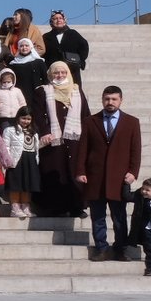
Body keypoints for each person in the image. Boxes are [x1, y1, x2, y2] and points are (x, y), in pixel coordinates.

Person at [73, 86, 141, 261]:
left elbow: (135, 150)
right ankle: (101, 248)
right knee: (98, 217)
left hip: (119, 179)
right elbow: (83, 148)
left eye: (114, 99)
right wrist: (80, 170)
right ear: (102, 100)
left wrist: (133, 172)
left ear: (120, 100)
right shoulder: (90, 121)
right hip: (95, 177)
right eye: (107, 99)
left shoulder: (132, 122)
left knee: (119, 218)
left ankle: (120, 249)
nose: (110, 102)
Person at [36, 60, 90, 217]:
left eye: (63, 72)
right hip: (53, 140)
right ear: (50, 74)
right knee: (54, 171)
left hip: (74, 140)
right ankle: (55, 207)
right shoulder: (43, 91)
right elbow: (38, 115)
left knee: (74, 171)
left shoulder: (76, 91)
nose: (60, 75)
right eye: (56, 73)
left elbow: (85, 114)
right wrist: (44, 132)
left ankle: (77, 206)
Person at [1, 107, 42, 219]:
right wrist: (7, 160)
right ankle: (15, 208)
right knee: (16, 184)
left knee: (27, 184)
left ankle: (25, 206)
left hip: (30, 159)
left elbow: (36, 147)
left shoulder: (34, 132)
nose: (26, 121)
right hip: (16, 160)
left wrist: (36, 159)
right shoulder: (9, 130)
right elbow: (5, 147)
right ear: (18, 118)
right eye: (23, 118)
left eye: (28, 119)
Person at [41, 9, 89, 83]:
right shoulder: (46, 37)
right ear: (51, 22)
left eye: (60, 18)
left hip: (72, 70)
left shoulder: (73, 33)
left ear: (64, 21)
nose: (58, 20)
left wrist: (80, 61)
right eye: (55, 19)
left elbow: (84, 47)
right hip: (54, 71)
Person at [131, 177, 151, 276]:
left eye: (147, 190)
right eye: (143, 189)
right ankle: (149, 269)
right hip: (147, 230)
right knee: (149, 250)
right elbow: (128, 196)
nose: (144, 192)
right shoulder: (142, 201)